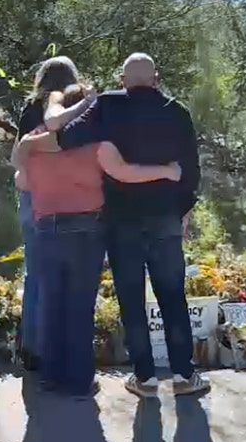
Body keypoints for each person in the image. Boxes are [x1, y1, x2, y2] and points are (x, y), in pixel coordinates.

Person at [39, 53, 210, 397]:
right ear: (156, 79)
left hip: (120, 220)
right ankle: (183, 375)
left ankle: (145, 378)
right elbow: (191, 174)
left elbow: (66, 137)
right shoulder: (177, 112)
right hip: (165, 218)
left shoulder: (108, 105)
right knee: (172, 297)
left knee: (131, 299)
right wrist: (181, 211)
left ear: (122, 80)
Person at [14, 82, 182, 398]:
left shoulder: (35, 139)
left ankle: (51, 378)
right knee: (80, 306)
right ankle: (79, 382)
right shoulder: (95, 142)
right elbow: (125, 172)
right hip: (85, 230)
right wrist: (167, 171)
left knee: (51, 304)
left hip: (46, 229)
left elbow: (21, 181)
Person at [13, 56, 94, 371]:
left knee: (34, 273)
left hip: (32, 193)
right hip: (70, 197)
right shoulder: (77, 108)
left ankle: (32, 348)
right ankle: (65, 351)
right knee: (70, 277)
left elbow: (19, 157)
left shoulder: (30, 109)